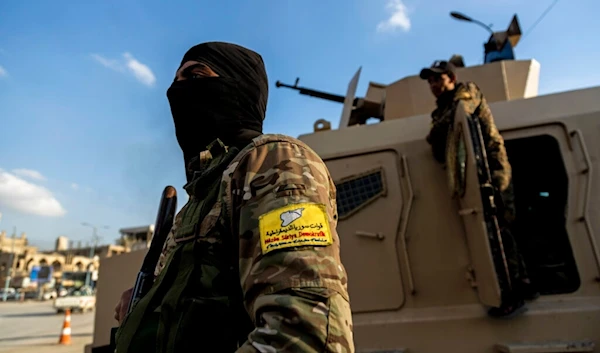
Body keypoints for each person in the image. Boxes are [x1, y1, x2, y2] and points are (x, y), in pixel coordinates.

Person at [113, 42, 354, 353]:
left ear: (237, 87)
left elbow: (303, 336)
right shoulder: (203, 193)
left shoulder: (274, 161)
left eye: (195, 76)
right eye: (176, 82)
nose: (177, 91)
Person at [419, 60, 539, 319]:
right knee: (490, 227)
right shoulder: (439, 112)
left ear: (451, 77)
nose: (433, 86)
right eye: (430, 82)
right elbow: (435, 143)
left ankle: (518, 287)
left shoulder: (467, 90)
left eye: (437, 80)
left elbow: (461, 112)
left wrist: (443, 128)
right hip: (471, 174)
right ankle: (515, 285)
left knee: (500, 224)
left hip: (493, 167)